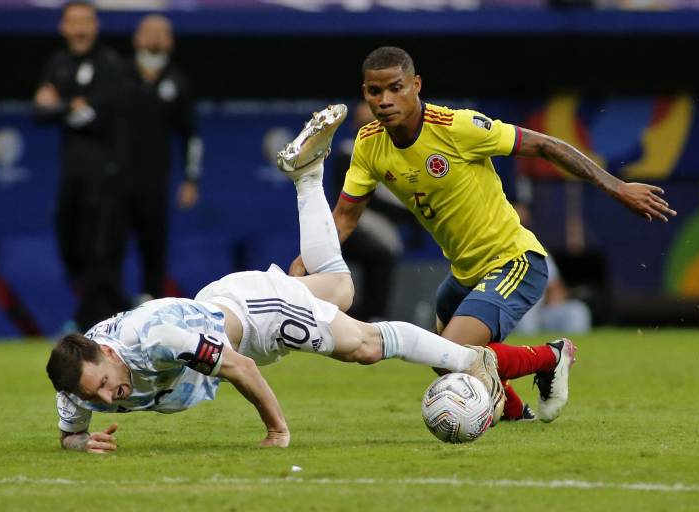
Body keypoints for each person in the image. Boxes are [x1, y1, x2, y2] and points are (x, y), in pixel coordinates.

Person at [45, 105, 508, 453]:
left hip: (254, 320)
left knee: (363, 346)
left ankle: (470, 360)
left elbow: (240, 369)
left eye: (105, 383)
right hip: (222, 303)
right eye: (97, 394)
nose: (110, 395)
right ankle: (307, 176)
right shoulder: (78, 380)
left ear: (108, 352)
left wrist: (276, 431)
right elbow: (70, 433)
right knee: (339, 289)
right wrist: (82, 444)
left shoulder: (158, 339)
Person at [288, 47, 676, 422]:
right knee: (444, 362)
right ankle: (513, 413)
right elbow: (344, 219)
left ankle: (551, 356)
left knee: (451, 350)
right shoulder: (369, 144)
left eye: (396, 87)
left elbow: (545, 144)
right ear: (365, 94)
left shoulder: (459, 128)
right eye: (376, 91)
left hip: (515, 261)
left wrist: (616, 187)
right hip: (464, 274)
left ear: (416, 85)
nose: (385, 99)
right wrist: (308, 260)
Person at [33, 1, 129, 331]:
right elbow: (39, 113)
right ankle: (124, 308)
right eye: (72, 21)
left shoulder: (111, 63)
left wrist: (60, 105)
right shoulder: (57, 63)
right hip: (71, 170)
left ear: (96, 25)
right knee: (70, 243)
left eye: (85, 21)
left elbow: (101, 115)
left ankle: (91, 322)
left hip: (105, 171)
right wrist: (69, 106)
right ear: (63, 27)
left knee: (99, 249)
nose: (79, 28)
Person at [123, 14, 203, 300]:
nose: (155, 38)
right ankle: (104, 312)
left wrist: (191, 179)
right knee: (106, 249)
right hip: (114, 181)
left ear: (170, 41)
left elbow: (191, 136)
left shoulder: (177, 82)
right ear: (137, 38)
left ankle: (150, 306)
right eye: (149, 32)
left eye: (161, 32)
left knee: (154, 248)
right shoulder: (119, 77)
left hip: (154, 183)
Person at [330, 101, 410, 322]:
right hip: (353, 223)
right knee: (380, 254)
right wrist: (403, 214)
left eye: (373, 123)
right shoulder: (348, 152)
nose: (368, 128)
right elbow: (360, 197)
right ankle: (370, 316)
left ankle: (374, 315)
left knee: (384, 253)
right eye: (363, 123)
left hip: (384, 226)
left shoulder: (393, 153)